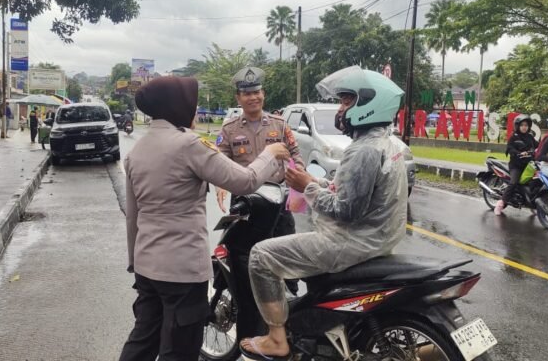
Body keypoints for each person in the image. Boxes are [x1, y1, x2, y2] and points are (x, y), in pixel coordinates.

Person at [239, 66, 408, 360]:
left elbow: (346, 210)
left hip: (349, 242)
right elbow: (353, 192)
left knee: (260, 256)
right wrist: (317, 182)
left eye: (346, 102)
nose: (340, 109)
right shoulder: (389, 143)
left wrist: (308, 188)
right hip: (377, 239)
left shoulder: (363, 150)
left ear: (368, 104)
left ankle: (276, 339)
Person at [120, 76, 290, 361]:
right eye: (193, 103)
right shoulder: (189, 145)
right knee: (180, 349)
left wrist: (135, 263)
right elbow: (246, 181)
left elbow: (132, 216)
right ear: (178, 106)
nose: (196, 109)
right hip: (181, 270)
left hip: (147, 266)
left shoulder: (138, 150)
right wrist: (270, 153)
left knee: (143, 341)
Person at [215, 66, 305, 338]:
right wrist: (220, 184)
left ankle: (284, 326)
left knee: (284, 266)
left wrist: (297, 177)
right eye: (247, 93)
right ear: (238, 98)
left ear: (263, 94)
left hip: (278, 207)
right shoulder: (229, 129)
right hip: (246, 208)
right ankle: (249, 322)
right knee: (243, 267)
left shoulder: (280, 125)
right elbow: (219, 162)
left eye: (257, 92)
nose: (253, 98)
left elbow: (296, 157)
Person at [495, 114, 539, 216]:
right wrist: (518, 153)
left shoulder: (530, 137)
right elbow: (510, 149)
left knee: (536, 182)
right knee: (514, 183)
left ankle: (532, 204)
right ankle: (500, 204)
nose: (524, 127)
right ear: (518, 126)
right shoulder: (514, 137)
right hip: (516, 165)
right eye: (522, 125)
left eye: (526, 125)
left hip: (529, 165)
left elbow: (539, 146)